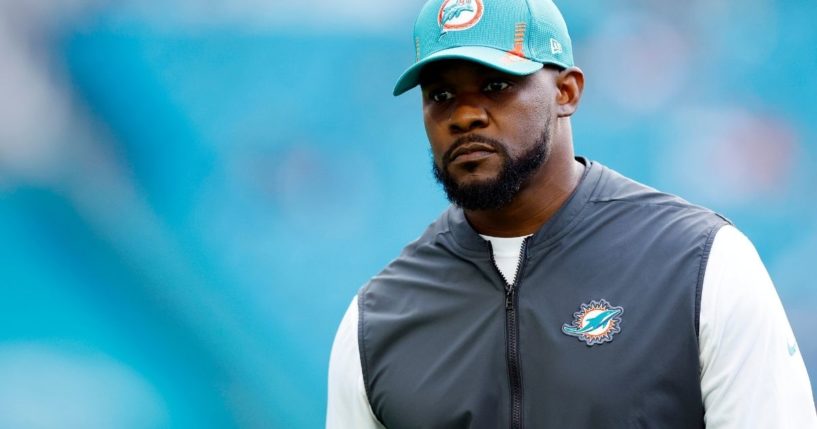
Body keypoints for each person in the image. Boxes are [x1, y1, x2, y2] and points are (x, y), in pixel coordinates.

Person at [326, 0, 817, 427]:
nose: (464, 115)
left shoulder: (701, 264)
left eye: (496, 84)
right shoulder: (377, 319)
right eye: (441, 95)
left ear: (567, 92)